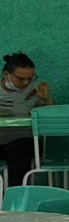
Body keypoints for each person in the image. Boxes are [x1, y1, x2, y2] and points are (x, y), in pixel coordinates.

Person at [0, 51, 52, 183]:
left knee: (17, 150)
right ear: (6, 75)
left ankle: (16, 197)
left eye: (30, 78)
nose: (26, 82)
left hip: (26, 141)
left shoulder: (37, 90)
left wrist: (46, 100)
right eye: (21, 78)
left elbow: (51, 119)